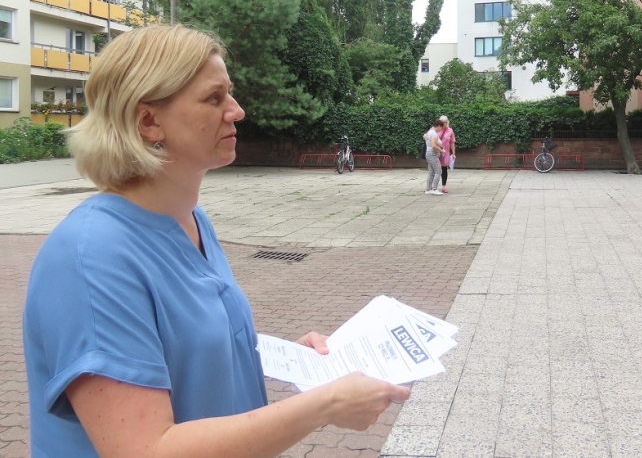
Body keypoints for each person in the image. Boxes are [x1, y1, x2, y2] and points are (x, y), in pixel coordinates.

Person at [22, 25, 410, 458]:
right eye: (214, 98)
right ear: (148, 121)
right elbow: (146, 449)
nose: (237, 111)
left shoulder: (192, 221)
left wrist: (295, 360)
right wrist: (325, 405)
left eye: (230, 94)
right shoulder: (91, 257)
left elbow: (189, 349)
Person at [424, 119, 445, 194]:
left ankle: (428, 189)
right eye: (441, 128)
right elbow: (433, 146)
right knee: (438, 171)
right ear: (439, 126)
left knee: (431, 172)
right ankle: (434, 189)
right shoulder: (434, 134)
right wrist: (441, 150)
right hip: (432, 154)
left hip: (429, 153)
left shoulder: (430, 132)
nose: (441, 129)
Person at [437, 115, 456, 193]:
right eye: (442, 122)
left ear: (447, 122)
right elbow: (428, 136)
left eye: (444, 122)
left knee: (444, 169)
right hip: (437, 151)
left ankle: (444, 186)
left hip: (446, 152)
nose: (443, 123)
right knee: (434, 168)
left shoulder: (450, 130)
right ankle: (431, 186)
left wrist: (453, 153)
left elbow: (452, 142)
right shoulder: (436, 129)